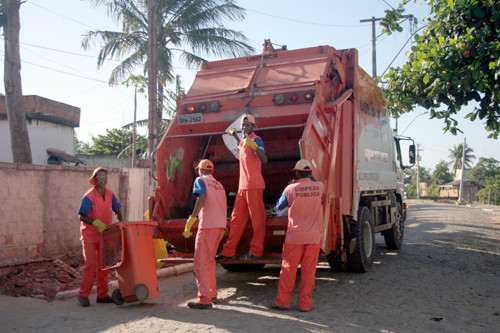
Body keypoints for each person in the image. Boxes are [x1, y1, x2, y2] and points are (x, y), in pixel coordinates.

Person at [271, 160, 324, 312]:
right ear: (310, 172)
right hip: (313, 237)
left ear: (297, 173)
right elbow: (314, 182)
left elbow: (279, 206)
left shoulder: (290, 188)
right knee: (309, 272)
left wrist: (294, 183)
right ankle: (305, 305)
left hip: (295, 237)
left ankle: (283, 302)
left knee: (288, 269)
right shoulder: (319, 187)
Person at [218, 114, 268, 260]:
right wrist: (234, 136)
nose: (244, 127)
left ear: (253, 127)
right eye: (243, 126)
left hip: (254, 185)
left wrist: (256, 148)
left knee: (257, 220)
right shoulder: (243, 142)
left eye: (247, 125)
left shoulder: (256, 139)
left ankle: (256, 251)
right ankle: (228, 251)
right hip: (243, 187)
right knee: (236, 220)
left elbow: (264, 159)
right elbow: (242, 151)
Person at [184, 159, 228, 309]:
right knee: (209, 262)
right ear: (212, 171)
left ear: (200, 170)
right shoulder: (219, 185)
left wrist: (191, 219)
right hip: (220, 227)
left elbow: (201, 198)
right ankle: (212, 294)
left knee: (201, 263)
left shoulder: (200, 180)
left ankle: (204, 299)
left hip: (208, 226)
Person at [77, 167, 122, 307]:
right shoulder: (89, 196)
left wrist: (121, 221)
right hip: (90, 235)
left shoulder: (110, 194)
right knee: (90, 264)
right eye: (100, 176)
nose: (103, 178)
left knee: (104, 265)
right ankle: (83, 294)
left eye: (105, 176)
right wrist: (95, 223)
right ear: (95, 179)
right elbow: (82, 215)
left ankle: (102, 295)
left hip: (105, 235)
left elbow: (118, 208)